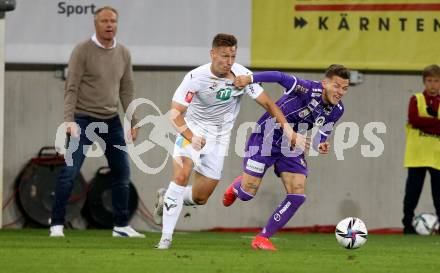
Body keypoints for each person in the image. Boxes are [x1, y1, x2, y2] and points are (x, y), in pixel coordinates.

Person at [154, 33, 300, 249]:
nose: (229, 61)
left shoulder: (241, 75)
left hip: (218, 139)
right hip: (192, 133)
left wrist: (288, 130)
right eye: (224, 56)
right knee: (182, 174)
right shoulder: (196, 78)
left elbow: (269, 104)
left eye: (232, 56)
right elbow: (175, 113)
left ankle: (167, 198)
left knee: (201, 197)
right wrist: (191, 136)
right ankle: (165, 239)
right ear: (212, 54)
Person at [222, 64, 351, 250]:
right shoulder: (307, 88)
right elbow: (278, 76)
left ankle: (262, 238)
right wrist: (250, 79)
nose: (340, 92)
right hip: (266, 137)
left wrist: (321, 143)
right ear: (325, 83)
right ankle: (237, 187)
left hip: (292, 144)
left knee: (297, 194)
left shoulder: (337, 109)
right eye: (336, 86)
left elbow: (322, 133)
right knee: (247, 194)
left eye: (345, 88)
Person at [49, 6, 144, 238]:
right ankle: (57, 224)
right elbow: (71, 88)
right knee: (70, 172)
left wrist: (133, 121)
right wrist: (68, 120)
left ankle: (121, 226)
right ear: (96, 24)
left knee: (122, 172)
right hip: (81, 120)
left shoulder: (123, 53)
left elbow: (127, 90)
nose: (109, 25)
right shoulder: (82, 51)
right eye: (104, 21)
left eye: (113, 21)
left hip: (111, 121)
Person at [402, 64, 440, 234]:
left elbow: (419, 122)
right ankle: (407, 225)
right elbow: (414, 120)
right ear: (424, 81)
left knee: (439, 195)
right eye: (430, 80)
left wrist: (424, 124)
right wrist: (435, 124)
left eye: (436, 81)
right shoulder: (416, 99)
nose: (433, 84)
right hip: (416, 155)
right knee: (412, 193)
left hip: (436, 156)